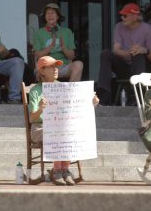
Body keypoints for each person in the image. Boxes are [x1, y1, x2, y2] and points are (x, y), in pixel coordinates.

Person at [29, 56, 99, 186]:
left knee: (69, 130)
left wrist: (92, 102)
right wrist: (40, 109)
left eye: (56, 66)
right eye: (51, 67)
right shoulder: (35, 91)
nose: (56, 69)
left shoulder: (64, 87)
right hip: (40, 127)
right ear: (42, 71)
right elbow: (32, 118)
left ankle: (64, 169)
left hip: (60, 127)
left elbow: (77, 108)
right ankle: (57, 170)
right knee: (60, 131)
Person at [97, 2, 151, 105]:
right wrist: (132, 52)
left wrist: (144, 50)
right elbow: (116, 50)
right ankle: (103, 95)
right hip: (125, 67)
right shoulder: (119, 27)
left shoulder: (147, 29)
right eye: (121, 15)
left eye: (125, 15)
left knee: (138, 54)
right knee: (106, 54)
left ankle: (137, 95)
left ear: (134, 17)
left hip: (143, 68)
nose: (122, 18)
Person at [31, 3, 84, 82]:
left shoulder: (67, 32)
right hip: (46, 67)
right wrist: (50, 47)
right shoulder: (39, 33)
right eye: (48, 13)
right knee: (44, 71)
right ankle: (48, 94)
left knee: (79, 64)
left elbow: (71, 57)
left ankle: (70, 90)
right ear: (45, 17)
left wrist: (63, 48)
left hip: (64, 66)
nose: (50, 15)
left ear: (58, 16)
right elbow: (38, 55)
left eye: (53, 13)